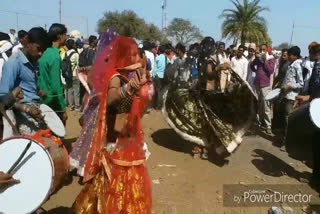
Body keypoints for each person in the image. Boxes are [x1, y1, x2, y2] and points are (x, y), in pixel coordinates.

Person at [72, 35, 152, 213]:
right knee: (111, 189)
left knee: (124, 188)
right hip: (115, 143)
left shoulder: (125, 75)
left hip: (126, 140)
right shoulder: (115, 77)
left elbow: (138, 106)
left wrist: (140, 87)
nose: (137, 57)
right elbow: (111, 98)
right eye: (133, 54)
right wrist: (131, 87)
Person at [0, 27, 48, 136]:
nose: (41, 54)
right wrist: (26, 108)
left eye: (43, 51)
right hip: (22, 120)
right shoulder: (14, 63)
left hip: (35, 114)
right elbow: (3, 100)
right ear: (27, 42)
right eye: (38, 49)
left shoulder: (33, 62)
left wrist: (38, 91)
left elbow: (26, 86)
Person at [296, 44, 320, 191]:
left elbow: (318, 87)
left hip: (318, 107)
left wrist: (308, 98)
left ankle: (316, 180)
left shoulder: (318, 66)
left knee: (317, 144)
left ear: (313, 52)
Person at [38, 23, 67, 124]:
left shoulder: (44, 53)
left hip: (42, 100)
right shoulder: (54, 56)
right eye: (65, 35)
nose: (66, 38)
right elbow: (55, 85)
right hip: (53, 103)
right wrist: (62, 108)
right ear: (60, 36)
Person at [277, 46, 303, 150]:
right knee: (283, 118)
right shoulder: (290, 65)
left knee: (288, 119)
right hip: (285, 95)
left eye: (290, 55)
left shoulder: (297, 66)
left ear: (295, 56)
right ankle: (283, 139)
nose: (288, 56)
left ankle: (287, 143)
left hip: (291, 97)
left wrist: (289, 86)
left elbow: (300, 83)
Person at [251, 44, 276, 134]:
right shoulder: (258, 58)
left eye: (263, 50)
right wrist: (256, 71)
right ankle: (260, 122)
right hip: (257, 84)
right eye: (261, 49)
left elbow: (270, 70)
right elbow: (252, 65)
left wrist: (265, 60)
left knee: (266, 106)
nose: (262, 51)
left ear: (267, 51)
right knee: (258, 104)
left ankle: (268, 125)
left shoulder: (271, 59)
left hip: (265, 85)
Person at [65, 39, 80, 111]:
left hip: (67, 75)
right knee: (76, 90)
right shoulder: (76, 54)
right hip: (74, 74)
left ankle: (71, 106)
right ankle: (77, 106)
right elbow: (78, 65)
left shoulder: (65, 53)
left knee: (69, 90)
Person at [153, 45, 169, 109]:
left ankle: (158, 106)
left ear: (159, 51)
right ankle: (160, 105)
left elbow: (154, 68)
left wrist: (153, 76)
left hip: (158, 76)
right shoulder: (166, 58)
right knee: (161, 91)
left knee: (158, 91)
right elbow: (169, 66)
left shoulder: (158, 58)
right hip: (164, 76)